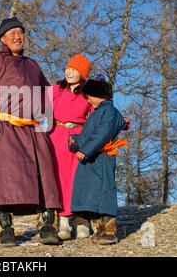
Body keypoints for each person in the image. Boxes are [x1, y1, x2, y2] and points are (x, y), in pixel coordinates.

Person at [0, 17, 61, 246]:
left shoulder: (33, 65)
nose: (17, 36)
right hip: (4, 128)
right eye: (11, 32)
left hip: (34, 129)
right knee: (4, 178)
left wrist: (50, 120)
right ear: (2, 37)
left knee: (45, 176)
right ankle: (6, 230)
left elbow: (46, 94)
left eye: (20, 32)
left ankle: (47, 226)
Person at [68, 74, 128, 245]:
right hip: (91, 158)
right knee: (89, 192)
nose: (88, 101)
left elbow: (103, 133)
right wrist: (75, 143)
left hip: (101, 157)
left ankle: (109, 231)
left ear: (99, 95)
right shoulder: (97, 113)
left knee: (103, 191)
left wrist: (85, 150)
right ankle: (96, 227)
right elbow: (88, 134)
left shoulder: (110, 112)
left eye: (89, 97)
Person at [48, 54, 94, 240]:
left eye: (74, 69)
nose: (69, 71)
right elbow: (34, 102)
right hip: (57, 135)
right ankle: (63, 220)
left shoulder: (88, 94)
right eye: (68, 68)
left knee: (78, 178)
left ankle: (82, 219)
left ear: (82, 74)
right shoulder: (56, 90)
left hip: (79, 137)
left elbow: (102, 110)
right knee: (59, 177)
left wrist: (119, 120)